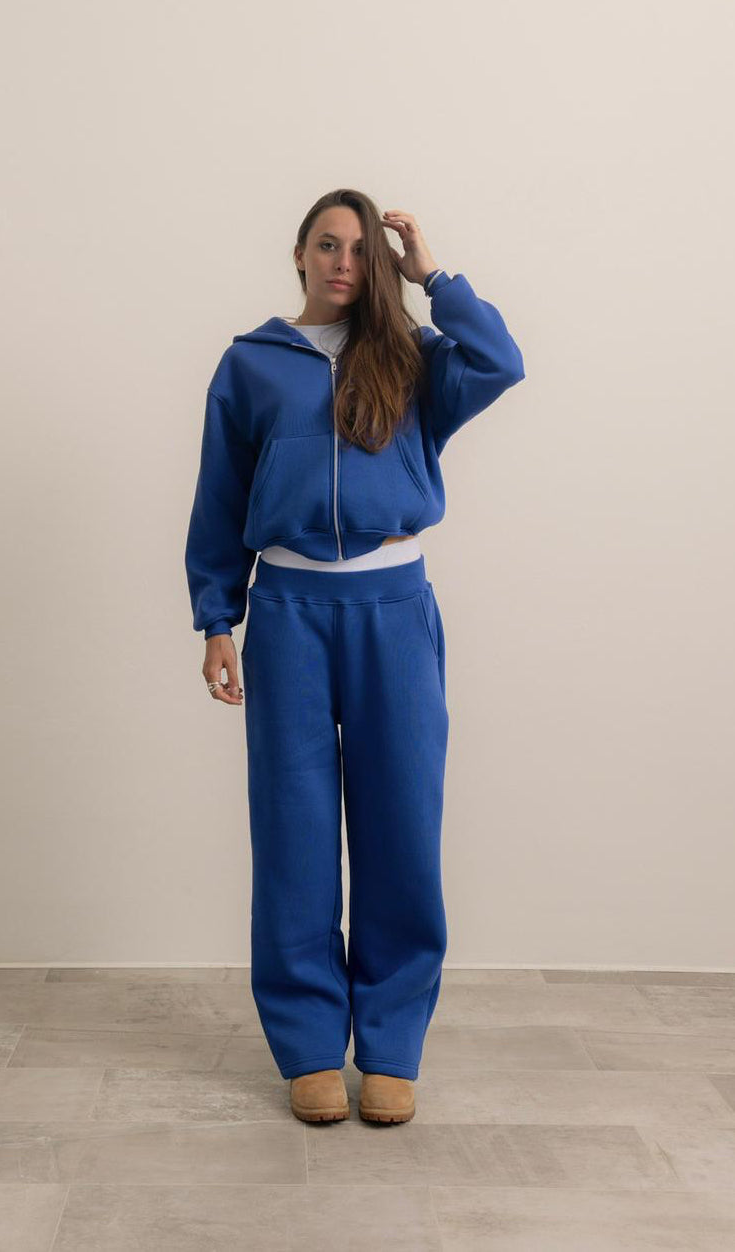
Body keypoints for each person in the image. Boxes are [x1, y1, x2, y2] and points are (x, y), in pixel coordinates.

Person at [185, 188, 525, 1125]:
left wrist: (434, 277)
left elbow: (502, 360)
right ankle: (307, 1048)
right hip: (287, 612)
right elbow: (220, 499)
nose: (345, 262)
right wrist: (217, 620)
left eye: (362, 249)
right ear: (299, 254)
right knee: (292, 830)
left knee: (401, 824)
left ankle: (390, 1047)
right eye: (328, 245)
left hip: (394, 609)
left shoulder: (413, 357)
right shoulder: (251, 363)